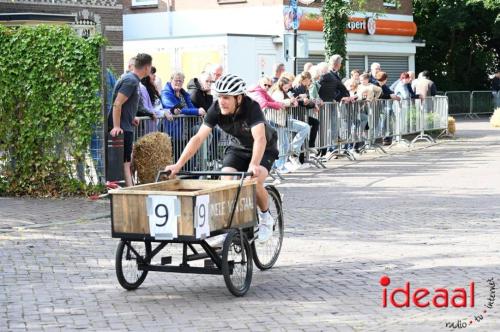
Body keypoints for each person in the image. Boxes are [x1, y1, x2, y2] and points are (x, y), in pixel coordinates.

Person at [164, 74, 279, 242]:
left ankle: (266, 217)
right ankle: (229, 227)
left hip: (264, 148)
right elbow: (198, 138)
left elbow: (260, 139)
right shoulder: (216, 108)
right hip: (238, 148)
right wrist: (178, 165)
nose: (221, 101)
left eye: (226, 97)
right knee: (226, 181)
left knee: (253, 180)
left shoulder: (252, 107)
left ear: (238, 98)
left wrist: (254, 164)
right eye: (219, 97)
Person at [108, 53, 153, 187]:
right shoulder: (131, 81)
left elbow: (125, 103)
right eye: (150, 67)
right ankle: (131, 192)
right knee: (126, 163)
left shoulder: (130, 79)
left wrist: (131, 117)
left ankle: (130, 190)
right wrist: (116, 126)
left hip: (126, 124)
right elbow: (117, 103)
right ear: (146, 67)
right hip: (123, 128)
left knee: (127, 162)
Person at [160, 72, 207, 163]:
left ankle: (193, 167)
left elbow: (190, 107)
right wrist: (197, 111)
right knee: (175, 153)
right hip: (172, 128)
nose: (178, 83)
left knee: (183, 152)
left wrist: (198, 110)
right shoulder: (166, 93)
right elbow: (174, 108)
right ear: (171, 80)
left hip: (184, 129)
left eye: (180, 81)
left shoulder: (183, 94)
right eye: (176, 80)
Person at [270, 75, 311, 170]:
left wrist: (295, 101)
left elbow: (290, 103)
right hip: (277, 120)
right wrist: (290, 101)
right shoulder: (277, 93)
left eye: (288, 87)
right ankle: (280, 165)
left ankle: (292, 152)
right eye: (286, 86)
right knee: (283, 144)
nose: (288, 88)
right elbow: (278, 103)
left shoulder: (285, 92)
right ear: (281, 85)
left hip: (284, 119)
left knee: (304, 127)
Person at [291, 71, 319, 165]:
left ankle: (311, 145)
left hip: (303, 114)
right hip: (298, 115)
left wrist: (313, 104)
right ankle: (300, 159)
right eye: (309, 80)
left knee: (315, 122)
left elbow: (307, 102)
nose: (309, 82)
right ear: (305, 79)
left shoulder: (305, 88)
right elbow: (299, 102)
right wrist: (306, 101)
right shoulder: (298, 87)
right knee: (301, 137)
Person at [375, 71, 400, 146]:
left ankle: (386, 138)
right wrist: (390, 96)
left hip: (382, 107)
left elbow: (389, 92)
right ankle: (382, 138)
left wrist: (393, 95)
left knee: (387, 120)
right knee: (378, 123)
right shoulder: (375, 85)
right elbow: (379, 96)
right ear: (385, 79)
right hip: (376, 107)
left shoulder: (383, 85)